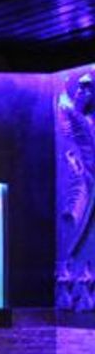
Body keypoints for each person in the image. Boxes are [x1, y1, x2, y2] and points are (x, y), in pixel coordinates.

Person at [60, 73, 95, 256]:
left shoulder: (88, 121)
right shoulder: (69, 111)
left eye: (87, 87)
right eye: (80, 87)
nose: (81, 92)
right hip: (81, 172)